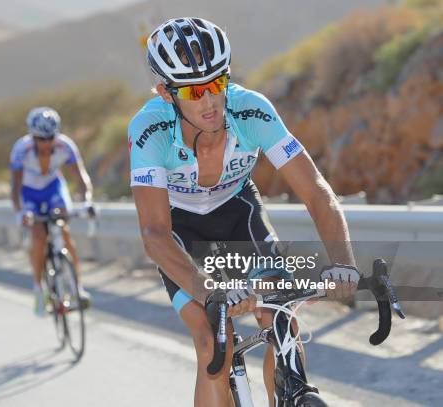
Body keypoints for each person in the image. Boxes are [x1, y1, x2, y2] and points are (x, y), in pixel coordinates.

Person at [129, 17, 360, 407]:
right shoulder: (149, 129)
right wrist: (208, 289)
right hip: (181, 230)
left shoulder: (251, 110)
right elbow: (154, 234)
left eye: (218, 84)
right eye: (195, 91)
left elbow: (317, 192)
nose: (210, 101)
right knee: (212, 343)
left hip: (238, 215)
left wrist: (343, 262)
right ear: (165, 93)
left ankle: (290, 395)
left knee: (281, 318)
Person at [10, 107, 95, 316]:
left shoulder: (65, 145)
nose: (46, 143)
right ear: (33, 136)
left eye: (50, 137)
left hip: (53, 188)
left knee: (63, 230)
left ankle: (77, 288)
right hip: (29, 192)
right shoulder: (21, 149)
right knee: (38, 235)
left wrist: (87, 201)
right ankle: (39, 289)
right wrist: (20, 212)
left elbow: (81, 177)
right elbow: (15, 186)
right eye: (41, 138)